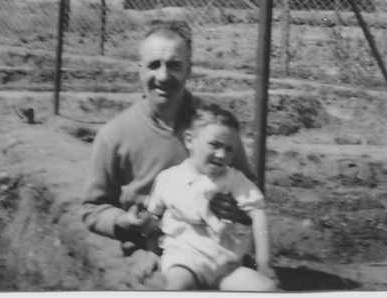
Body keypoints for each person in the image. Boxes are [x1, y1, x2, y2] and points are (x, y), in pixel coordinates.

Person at [81, 20, 256, 283]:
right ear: (139, 70)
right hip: (150, 253)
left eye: (174, 65)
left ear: (189, 70)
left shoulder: (214, 129)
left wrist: (236, 207)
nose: (163, 76)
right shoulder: (114, 135)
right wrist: (123, 221)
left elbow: (250, 186)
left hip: (217, 248)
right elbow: (92, 208)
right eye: (153, 65)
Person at [147, 104, 278, 291]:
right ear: (190, 141)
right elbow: (152, 218)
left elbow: (258, 213)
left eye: (229, 149)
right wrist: (151, 252)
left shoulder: (233, 179)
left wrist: (264, 264)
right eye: (214, 145)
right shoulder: (168, 179)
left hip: (226, 265)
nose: (221, 155)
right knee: (179, 287)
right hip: (184, 259)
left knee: (265, 288)